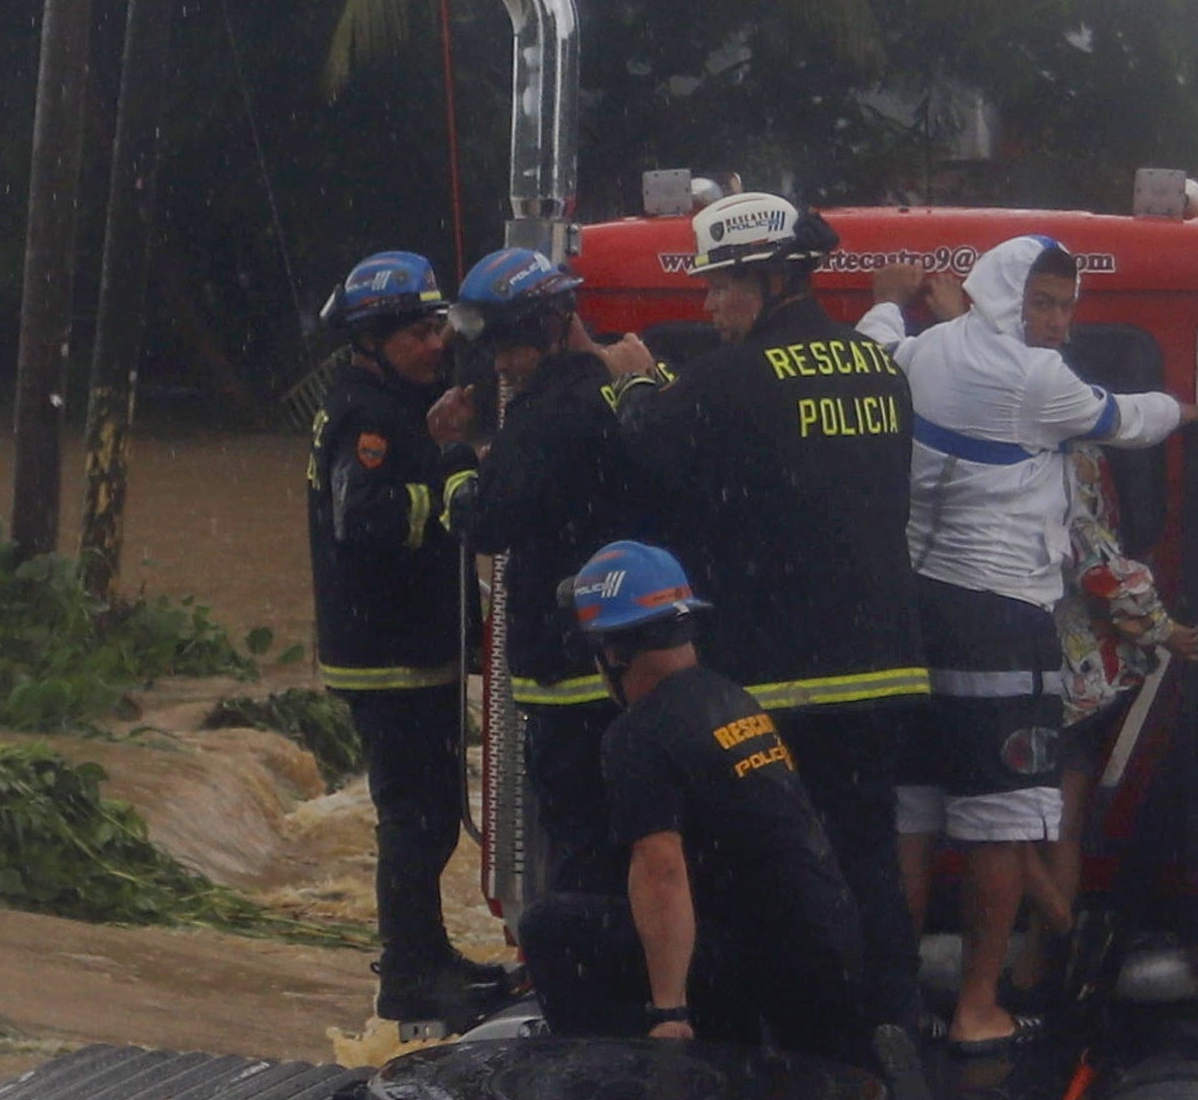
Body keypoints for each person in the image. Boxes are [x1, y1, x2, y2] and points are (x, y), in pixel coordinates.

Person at [599, 189, 924, 1006]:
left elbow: (646, 447)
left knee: (776, 866)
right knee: (866, 856)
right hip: (883, 665)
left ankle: (802, 1038)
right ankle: (891, 1019)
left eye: (722, 285)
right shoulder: (877, 365)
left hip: (782, 674)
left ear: (776, 278)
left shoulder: (729, 377)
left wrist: (635, 381)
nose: (709, 305)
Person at [895, 236, 1189, 1049]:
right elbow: (1124, 424)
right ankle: (981, 1003)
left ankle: (893, 993)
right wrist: (1189, 409)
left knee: (911, 813)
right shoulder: (1042, 387)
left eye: (1067, 306)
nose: (1058, 325)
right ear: (1003, 300)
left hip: (914, 618)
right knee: (1010, 817)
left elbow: (876, 345)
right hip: (1006, 626)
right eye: (1044, 305)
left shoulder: (922, 352)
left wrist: (891, 297)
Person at [512, 540, 863, 1054]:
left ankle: (607, 1076)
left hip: (769, 981)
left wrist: (669, 1013)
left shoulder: (639, 733)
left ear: (613, 652)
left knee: (548, 927)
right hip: (830, 967)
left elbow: (662, 869)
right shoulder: (731, 700)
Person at [302, 249, 486, 1030]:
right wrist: (451, 478)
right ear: (371, 338)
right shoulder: (367, 415)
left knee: (431, 811)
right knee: (415, 817)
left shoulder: (394, 395)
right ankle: (409, 976)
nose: (436, 341)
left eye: (438, 324)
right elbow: (364, 519)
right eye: (418, 330)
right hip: (388, 655)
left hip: (412, 645)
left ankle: (427, 956)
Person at [449, 244, 630, 900]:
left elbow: (488, 523)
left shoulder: (546, 415)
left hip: (562, 667)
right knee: (614, 835)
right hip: (613, 657)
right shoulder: (606, 391)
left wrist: (456, 466)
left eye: (510, 343)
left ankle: (583, 988)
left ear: (553, 326)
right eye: (492, 343)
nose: (500, 361)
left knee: (578, 842)